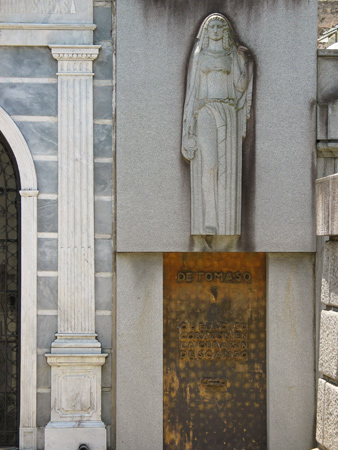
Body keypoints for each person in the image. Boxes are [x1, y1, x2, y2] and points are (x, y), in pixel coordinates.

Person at [182, 13, 253, 235]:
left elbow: (241, 87)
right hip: (205, 111)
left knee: (226, 166)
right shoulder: (199, 56)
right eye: (211, 26)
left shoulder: (233, 55)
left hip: (228, 111)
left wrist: (246, 64)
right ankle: (209, 220)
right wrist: (187, 128)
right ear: (205, 32)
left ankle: (226, 221)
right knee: (209, 164)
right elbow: (192, 92)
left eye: (219, 27)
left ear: (224, 32)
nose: (214, 30)